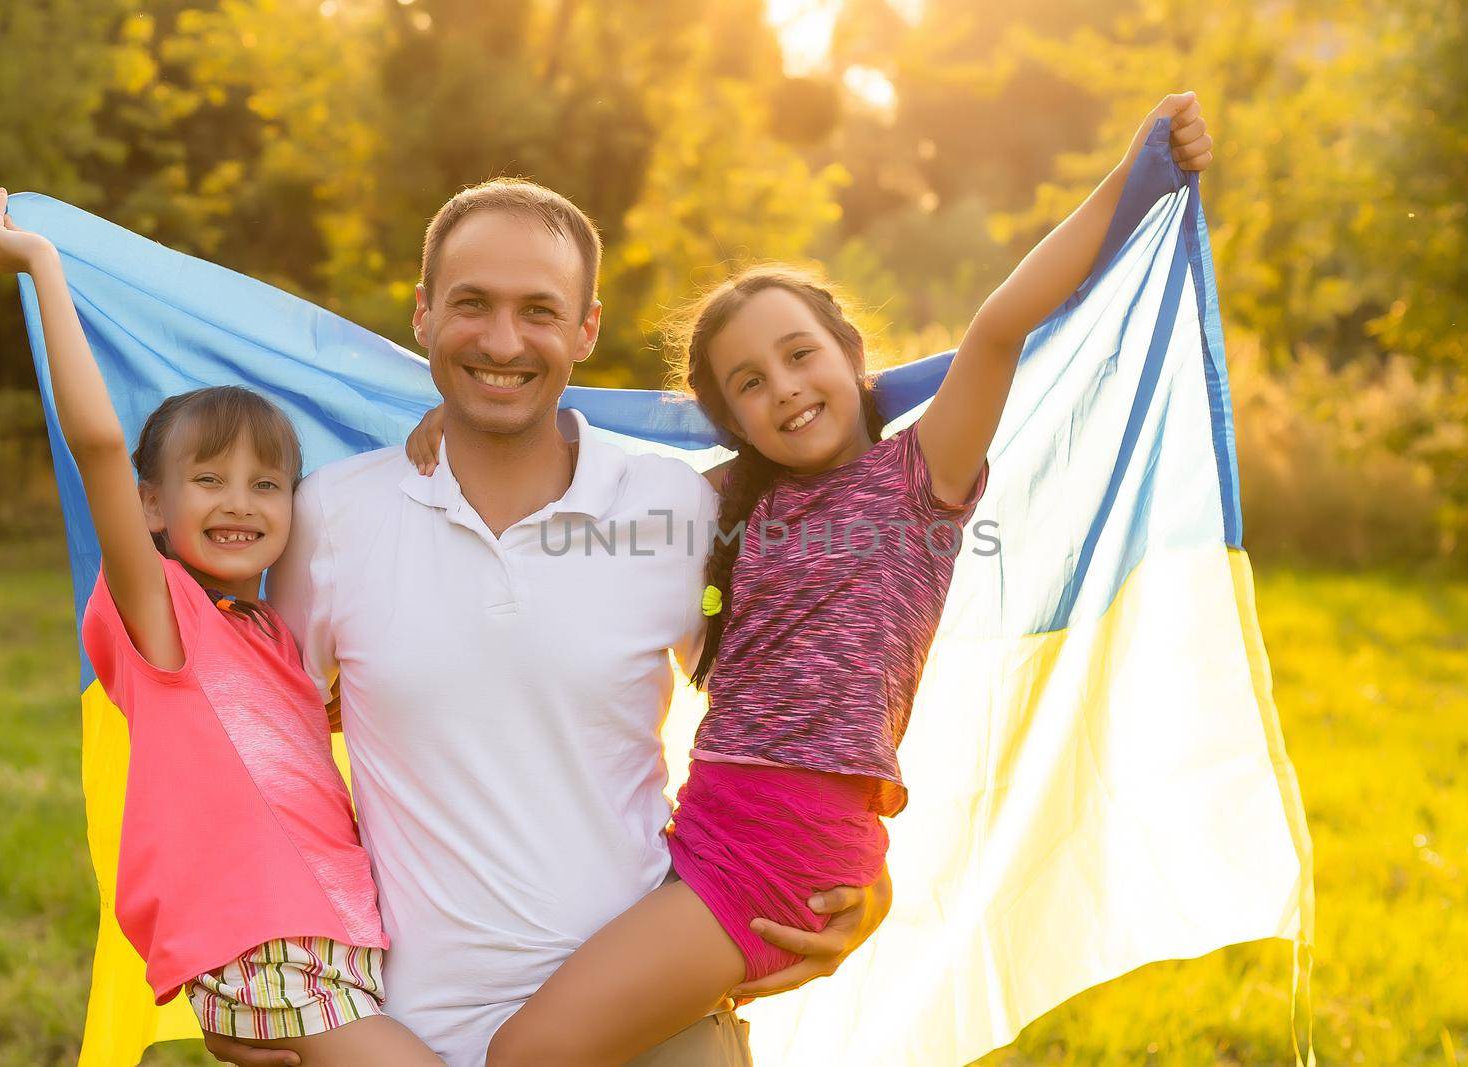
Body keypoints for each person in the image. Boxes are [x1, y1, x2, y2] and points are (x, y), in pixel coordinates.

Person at [402, 93, 1215, 1065]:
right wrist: (435, 432)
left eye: (800, 356)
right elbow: (557, 481)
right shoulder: (721, 507)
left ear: (849, 356)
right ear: (729, 418)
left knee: (529, 1052)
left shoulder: (918, 482)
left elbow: (1000, 325)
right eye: (748, 381)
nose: (784, 388)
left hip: (781, 845)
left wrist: (1134, 183)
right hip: (709, 826)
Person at [208, 178, 892, 1067]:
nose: (502, 340)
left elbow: (806, 711)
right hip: (401, 1033)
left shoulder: (672, 509)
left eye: (539, 309)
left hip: (654, 1027)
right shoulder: (330, 518)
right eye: (471, 305)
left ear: (586, 329)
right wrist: (242, 981)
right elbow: (261, 776)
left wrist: (857, 880)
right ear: (422, 316)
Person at [0, 189, 444, 1067]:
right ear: (151, 505)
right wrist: (45, 270)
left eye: (266, 484)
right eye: (209, 480)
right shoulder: (164, 616)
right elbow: (99, 445)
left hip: (337, 932)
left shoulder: (272, 632)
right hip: (267, 942)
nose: (240, 502)